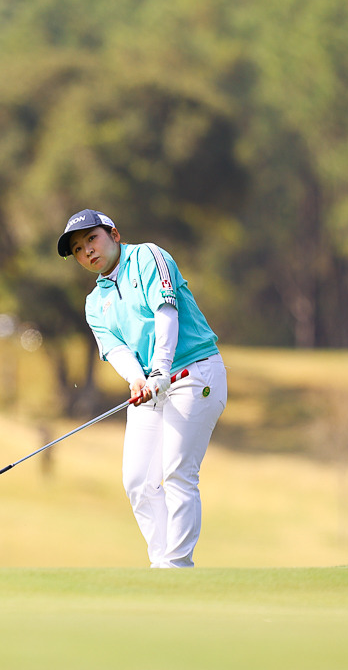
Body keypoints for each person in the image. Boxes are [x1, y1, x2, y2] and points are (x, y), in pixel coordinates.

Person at [57, 208, 227, 569]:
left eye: (92, 238)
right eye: (77, 249)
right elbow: (116, 349)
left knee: (178, 471)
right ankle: (161, 562)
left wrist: (161, 369)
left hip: (195, 374)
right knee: (137, 480)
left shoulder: (148, 256)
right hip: (153, 384)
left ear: (114, 234)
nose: (87, 251)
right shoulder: (94, 303)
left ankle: (177, 567)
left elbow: (166, 311)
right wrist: (137, 379)